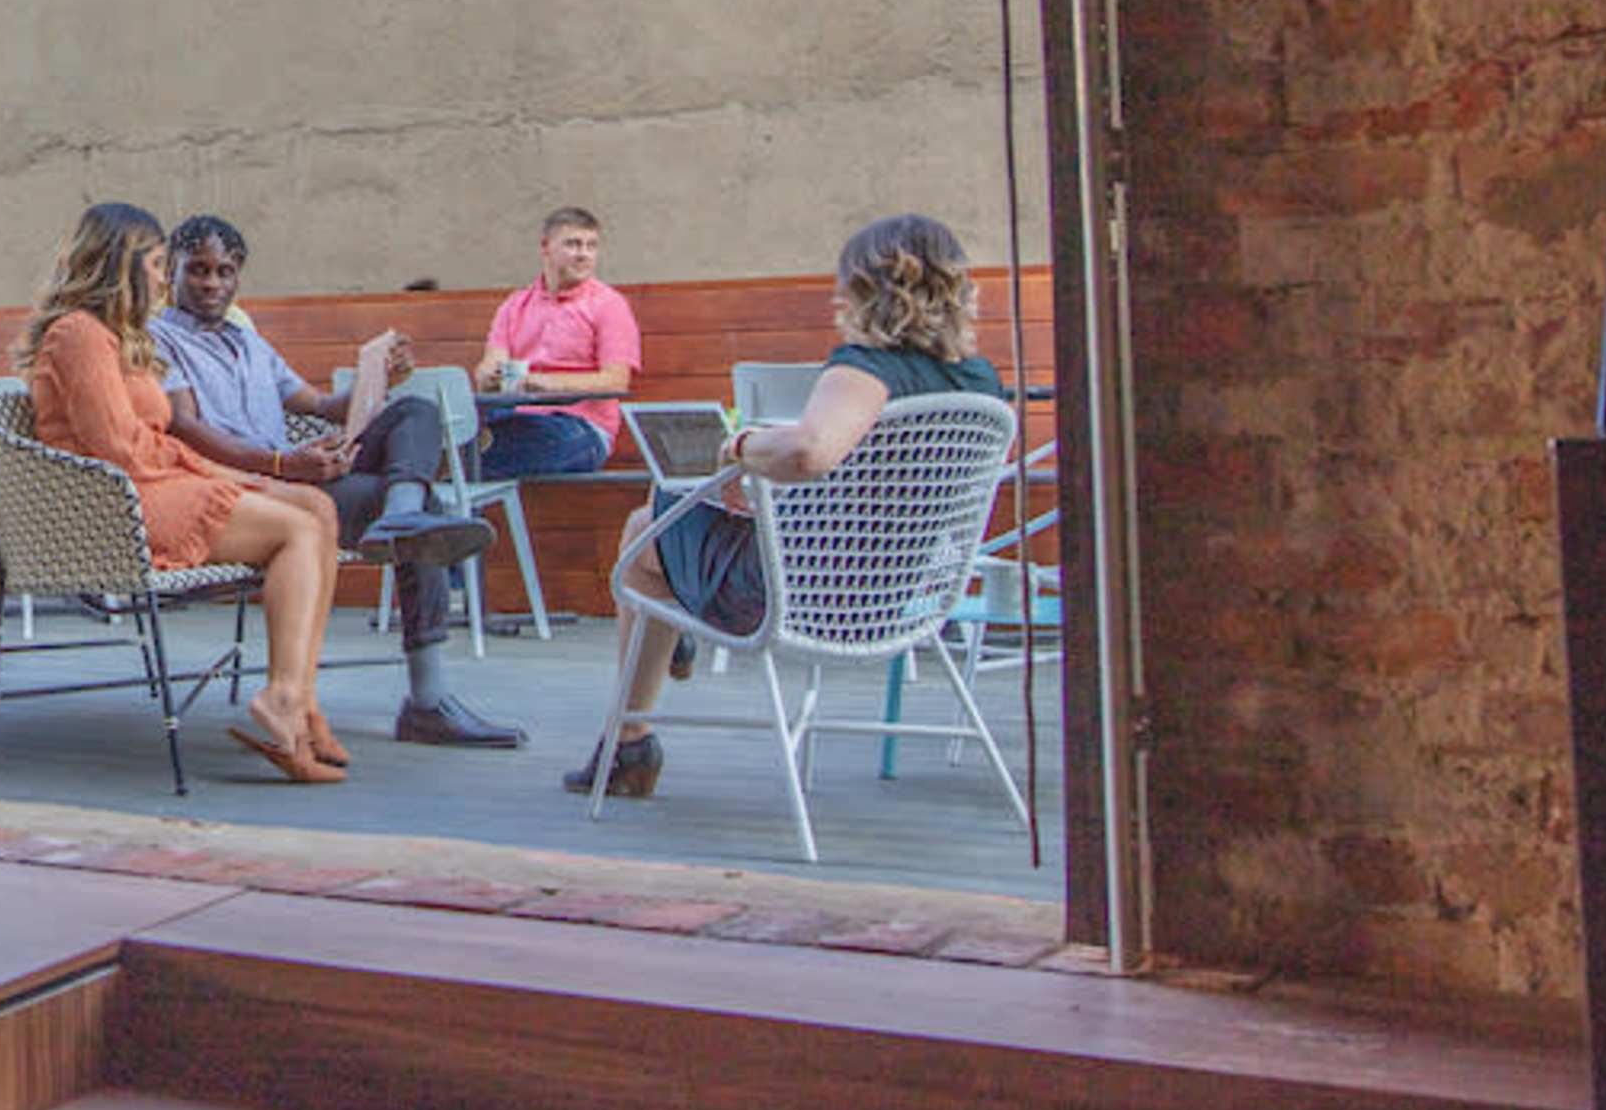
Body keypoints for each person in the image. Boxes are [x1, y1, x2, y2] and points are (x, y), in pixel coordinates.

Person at [565, 211, 1015, 799]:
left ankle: (629, 739)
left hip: (809, 596)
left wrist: (741, 447)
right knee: (669, 526)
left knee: (648, 527)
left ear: (863, 289)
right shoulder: (980, 383)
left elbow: (808, 451)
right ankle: (657, 675)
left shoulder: (866, 369)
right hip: (907, 598)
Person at [149, 214, 521, 747]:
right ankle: (428, 700)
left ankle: (400, 512)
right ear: (173, 273)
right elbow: (185, 428)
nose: (211, 283)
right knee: (433, 517)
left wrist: (378, 381)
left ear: (239, 277)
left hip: (300, 471)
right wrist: (283, 464)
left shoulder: (247, 340)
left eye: (224, 272)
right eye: (198, 270)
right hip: (260, 488)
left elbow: (320, 405)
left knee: (415, 410)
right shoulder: (158, 341)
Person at [18, 201, 351, 784]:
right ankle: (283, 699)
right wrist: (217, 475)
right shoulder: (78, 335)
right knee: (297, 529)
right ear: (119, 265)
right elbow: (121, 449)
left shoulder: (119, 337)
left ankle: (301, 699)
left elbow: (151, 440)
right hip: (114, 505)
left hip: (151, 483)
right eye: (153, 262)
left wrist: (235, 474)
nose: (160, 275)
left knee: (317, 506)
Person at [473, 206, 641, 480]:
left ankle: (443, 473)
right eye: (573, 244)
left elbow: (615, 381)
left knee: (486, 449)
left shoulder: (608, 304)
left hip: (582, 428)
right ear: (546, 247)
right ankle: (446, 473)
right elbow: (488, 367)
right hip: (515, 417)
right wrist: (490, 375)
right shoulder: (516, 305)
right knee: (456, 430)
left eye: (591, 246)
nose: (583, 254)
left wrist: (544, 381)